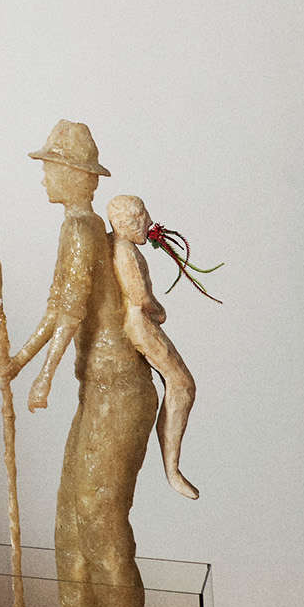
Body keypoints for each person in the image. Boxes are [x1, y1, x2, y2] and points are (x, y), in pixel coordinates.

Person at [8, 121, 161, 607]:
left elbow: (70, 315)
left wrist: (39, 376)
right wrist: (17, 362)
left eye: (51, 165)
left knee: (101, 538)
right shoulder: (83, 228)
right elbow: (60, 307)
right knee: (70, 537)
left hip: (118, 394)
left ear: (75, 175)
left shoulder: (80, 228)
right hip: (99, 395)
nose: (43, 175)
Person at [107, 194, 200, 502]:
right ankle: (172, 470)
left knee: (180, 384)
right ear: (126, 224)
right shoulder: (125, 252)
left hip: (138, 322)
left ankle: (172, 468)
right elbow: (141, 298)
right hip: (140, 325)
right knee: (182, 384)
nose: (148, 222)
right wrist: (159, 311)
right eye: (141, 218)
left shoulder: (121, 246)